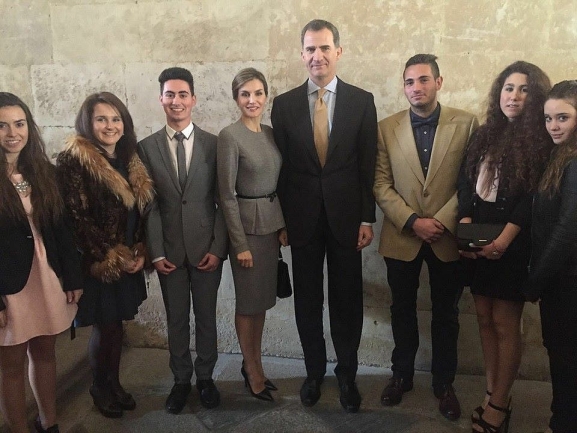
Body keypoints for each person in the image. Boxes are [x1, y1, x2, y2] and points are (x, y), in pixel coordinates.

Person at [271, 19, 377, 413]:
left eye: (325, 48)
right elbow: (281, 170)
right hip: (301, 220)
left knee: (347, 299)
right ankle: (313, 372)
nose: (318, 56)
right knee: (308, 300)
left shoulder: (361, 101)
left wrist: (367, 218)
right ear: (302, 55)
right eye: (311, 49)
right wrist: (281, 221)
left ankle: (347, 374)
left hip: (347, 219)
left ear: (338, 51)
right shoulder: (283, 105)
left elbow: (367, 163)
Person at [373, 54, 478, 421]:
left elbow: (471, 181)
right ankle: (401, 375)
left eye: (423, 80)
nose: (415, 87)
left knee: (446, 314)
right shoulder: (386, 127)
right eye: (409, 82)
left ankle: (443, 383)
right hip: (402, 235)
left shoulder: (466, 124)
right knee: (401, 309)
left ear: (439, 82)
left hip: (447, 238)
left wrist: (442, 221)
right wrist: (412, 221)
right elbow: (380, 183)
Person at [457, 61, 552, 433]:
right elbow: (466, 181)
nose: (514, 96)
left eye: (524, 89)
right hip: (478, 230)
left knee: (505, 322)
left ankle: (499, 403)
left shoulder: (541, 139)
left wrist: (504, 240)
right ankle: (492, 391)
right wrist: (466, 225)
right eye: (509, 88)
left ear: (536, 96)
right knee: (483, 317)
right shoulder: (484, 133)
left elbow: (532, 198)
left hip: (514, 240)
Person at [56, 92, 153, 419]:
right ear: (88, 122)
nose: (110, 126)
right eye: (101, 119)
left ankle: (114, 383)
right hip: (99, 261)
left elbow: (138, 212)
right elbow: (77, 218)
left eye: (115, 119)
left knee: (117, 326)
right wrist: (112, 255)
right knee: (105, 326)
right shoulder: (74, 161)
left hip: (128, 257)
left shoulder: (129, 157)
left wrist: (139, 249)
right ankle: (100, 387)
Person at [137, 67, 228, 414]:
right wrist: (156, 252)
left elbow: (223, 201)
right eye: (170, 94)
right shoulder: (146, 148)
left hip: (206, 250)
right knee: (176, 319)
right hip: (169, 252)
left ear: (194, 99)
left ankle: (205, 378)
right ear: (161, 99)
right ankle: (180, 381)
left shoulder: (214, 144)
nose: (176, 101)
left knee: (206, 316)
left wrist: (218, 248)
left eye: (183, 94)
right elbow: (150, 206)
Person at [0, 92, 83, 433]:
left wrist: (73, 277)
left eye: (19, 124)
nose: (12, 133)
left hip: (46, 274)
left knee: (46, 351)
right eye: (2, 126)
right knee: (11, 363)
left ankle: (49, 422)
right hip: (9, 283)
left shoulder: (43, 172)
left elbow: (62, 229)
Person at [217, 68, 286, 402]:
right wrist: (239, 243)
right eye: (245, 94)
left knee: (261, 302)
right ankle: (250, 367)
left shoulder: (270, 133)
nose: (252, 100)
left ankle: (256, 363)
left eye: (258, 93)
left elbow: (279, 182)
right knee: (248, 303)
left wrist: (283, 224)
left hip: (270, 228)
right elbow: (226, 195)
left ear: (266, 96)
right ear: (236, 98)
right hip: (246, 231)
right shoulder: (230, 136)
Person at [525, 80, 577, 433]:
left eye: (563, 117)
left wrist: (535, 281)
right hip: (560, 281)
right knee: (562, 359)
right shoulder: (561, 156)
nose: (553, 126)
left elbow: (566, 230)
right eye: (548, 118)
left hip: (567, 282)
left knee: (566, 361)